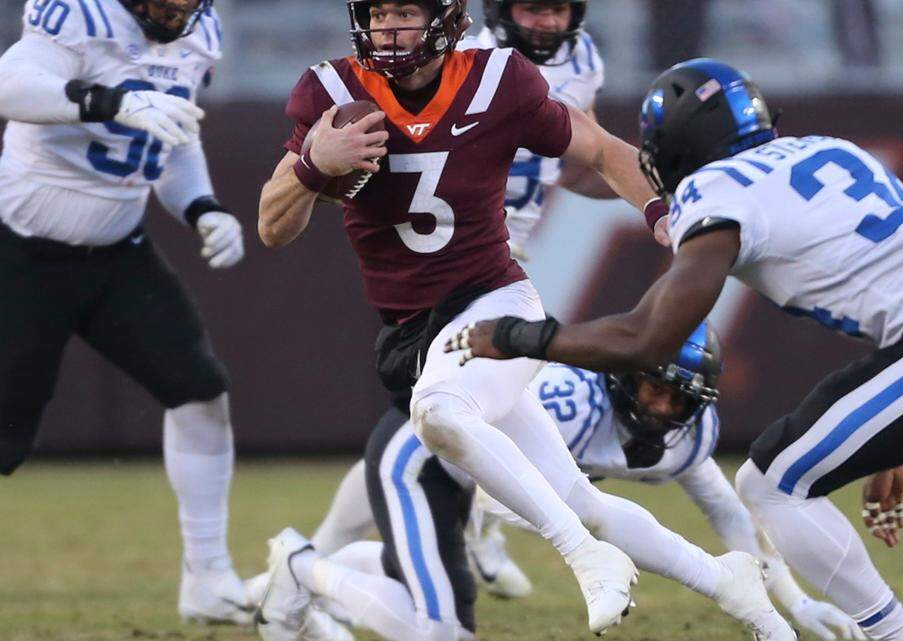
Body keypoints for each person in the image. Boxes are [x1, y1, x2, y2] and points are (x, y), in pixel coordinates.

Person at [446, 58, 903, 641]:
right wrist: (893, 442)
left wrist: (518, 336)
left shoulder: (716, 190)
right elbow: (898, 276)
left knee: (771, 482)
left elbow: (648, 338)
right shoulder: (825, 150)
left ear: (675, 151)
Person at [255, 3, 791, 640]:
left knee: (439, 412)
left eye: (405, 11)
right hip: (411, 327)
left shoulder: (497, 80)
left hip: (493, 298)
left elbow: (600, 149)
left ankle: (584, 558)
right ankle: (732, 585)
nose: (388, 28)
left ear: (447, 18)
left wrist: (660, 213)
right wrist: (315, 166)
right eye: (378, 13)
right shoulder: (332, 92)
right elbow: (272, 226)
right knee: (582, 501)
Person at [302, 0, 613, 560]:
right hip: (454, 262)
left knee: (440, 420)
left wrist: (656, 190)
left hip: (501, 259)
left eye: (559, 9)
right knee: (433, 420)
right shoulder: (465, 63)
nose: (547, 23)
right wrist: (319, 168)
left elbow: (579, 162)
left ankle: (325, 557)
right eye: (532, 8)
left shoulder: (579, 60)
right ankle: (484, 530)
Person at [0, 0, 250, 625]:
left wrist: (203, 207)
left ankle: (208, 575)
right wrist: (108, 101)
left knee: (200, 391)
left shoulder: (202, 33)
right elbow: (10, 86)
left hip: (117, 252)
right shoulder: (79, 13)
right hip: (22, 254)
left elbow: (174, 140)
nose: (177, 10)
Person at [464, 322, 864, 640]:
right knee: (517, 497)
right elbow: (490, 473)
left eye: (681, 399)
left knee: (581, 507)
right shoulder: (569, 402)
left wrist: (796, 602)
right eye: (656, 387)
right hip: (484, 428)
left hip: (566, 483)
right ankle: (479, 538)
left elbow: (729, 514)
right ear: (627, 374)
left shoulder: (691, 437)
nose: (663, 408)